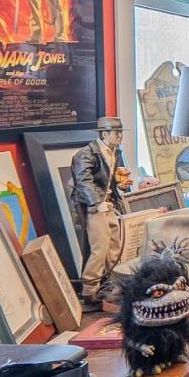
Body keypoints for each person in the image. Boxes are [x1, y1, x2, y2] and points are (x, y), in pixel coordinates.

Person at [70, 117, 130, 304]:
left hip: (109, 204)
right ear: (104, 134)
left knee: (114, 247)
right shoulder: (86, 154)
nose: (120, 136)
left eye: (121, 132)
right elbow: (84, 182)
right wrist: (97, 203)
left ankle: (113, 284)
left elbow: (109, 180)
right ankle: (90, 290)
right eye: (116, 133)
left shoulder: (115, 152)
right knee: (100, 248)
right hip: (94, 208)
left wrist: (121, 186)